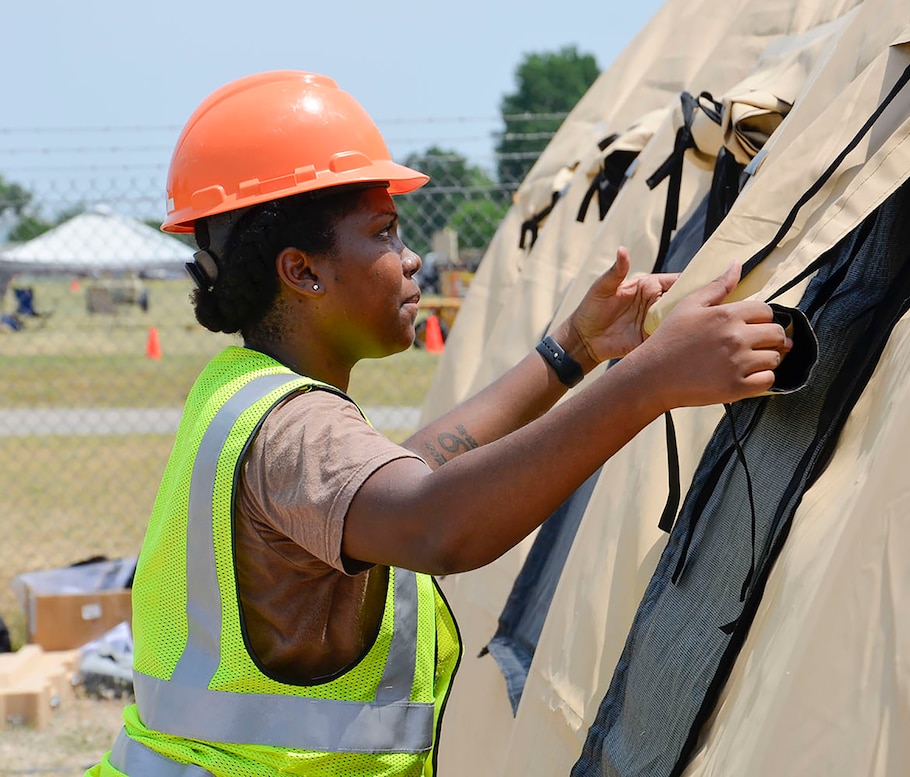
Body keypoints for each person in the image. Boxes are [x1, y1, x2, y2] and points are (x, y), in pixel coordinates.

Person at [88, 71, 790, 777]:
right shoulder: (298, 430)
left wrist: (573, 348)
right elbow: (434, 523)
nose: (412, 256)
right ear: (301, 271)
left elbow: (408, 476)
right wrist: (652, 379)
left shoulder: (243, 393)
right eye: (385, 233)